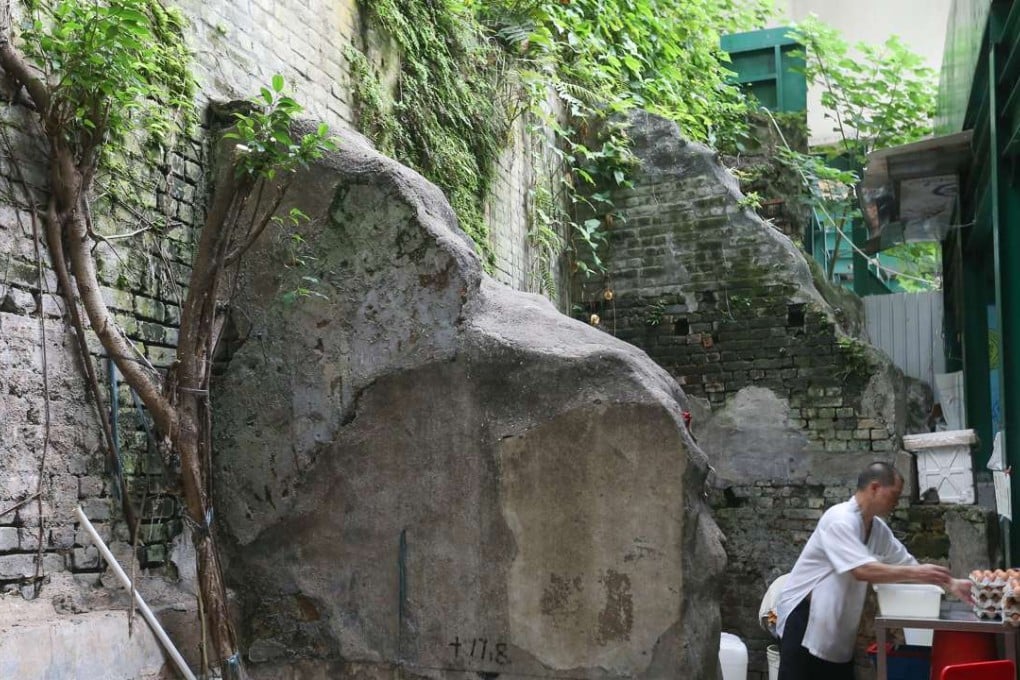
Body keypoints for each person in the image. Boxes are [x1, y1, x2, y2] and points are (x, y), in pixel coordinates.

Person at [774, 461, 973, 680]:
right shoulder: (839, 519)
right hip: (805, 620)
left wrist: (951, 583)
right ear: (875, 488)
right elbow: (861, 570)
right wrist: (917, 573)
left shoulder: (878, 530)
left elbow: (908, 564)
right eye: (894, 495)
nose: (897, 502)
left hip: (837, 628)